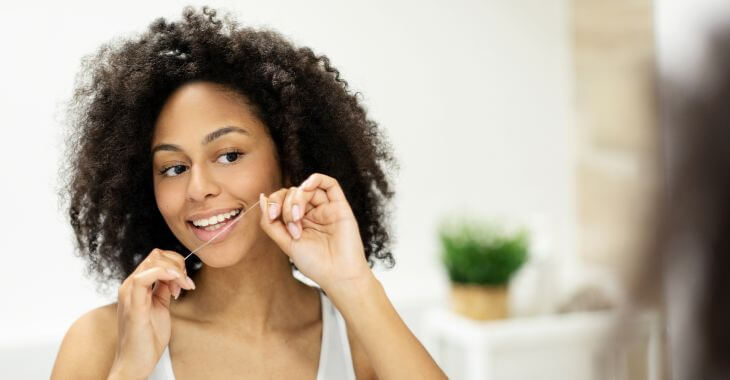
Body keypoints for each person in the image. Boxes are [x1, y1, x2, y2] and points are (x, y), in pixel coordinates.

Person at [51, 6, 446, 379]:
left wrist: (354, 284)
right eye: (174, 168)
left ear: (289, 160)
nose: (199, 189)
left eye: (229, 155)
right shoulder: (102, 343)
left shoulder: (361, 341)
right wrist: (130, 369)